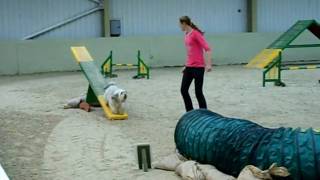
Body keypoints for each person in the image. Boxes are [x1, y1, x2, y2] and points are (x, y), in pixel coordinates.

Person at [179, 16, 212, 112]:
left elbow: (207, 48)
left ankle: (204, 113)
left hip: (198, 68)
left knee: (198, 92)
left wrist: (208, 64)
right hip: (189, 67)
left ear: (184, 23)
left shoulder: (195, 34)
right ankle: (190, 112)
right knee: (183, 90)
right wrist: (186, 66)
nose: (179, 26)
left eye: (180, 24)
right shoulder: (186, 34)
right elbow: (191, 52)